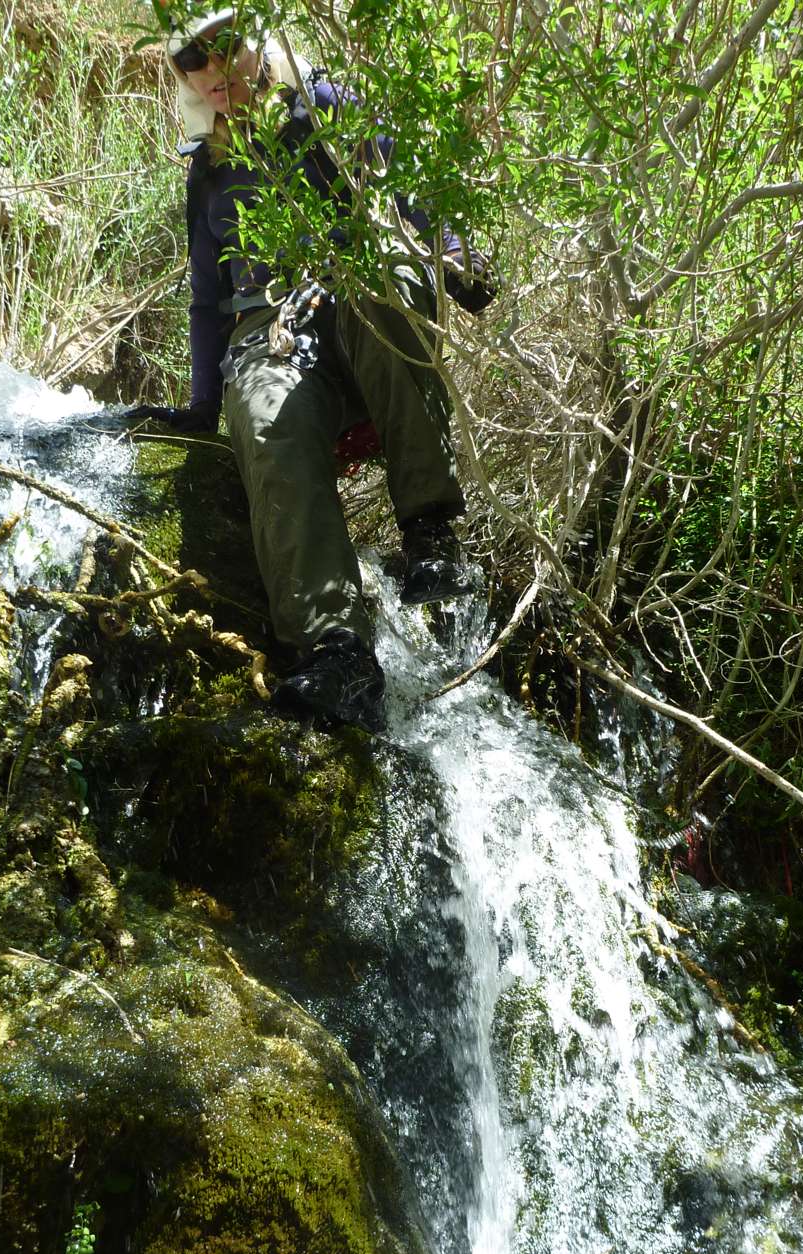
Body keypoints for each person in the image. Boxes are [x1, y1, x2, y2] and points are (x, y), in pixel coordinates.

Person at [134, 8, 494, 734]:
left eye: (223, 51)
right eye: (193, 65)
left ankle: (430, 536)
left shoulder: (327, 104)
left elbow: (405, 191)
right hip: (271, 331)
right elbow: (207, 298)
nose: (213, 73)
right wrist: (203, 406)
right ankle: (338, 653)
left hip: (358, 299)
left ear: (257, 44)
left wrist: (457, 256)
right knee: (266, 415)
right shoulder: (208, 170)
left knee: (371, 290)